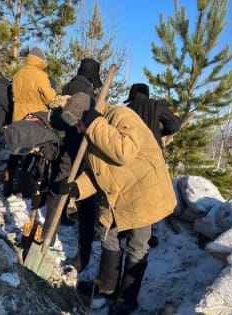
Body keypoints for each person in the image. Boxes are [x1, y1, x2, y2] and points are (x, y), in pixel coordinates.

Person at [59, 92, 177, 315]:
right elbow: (96, 173)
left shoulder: (122, 116)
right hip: (118, 192)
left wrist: (95, 124)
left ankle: (127, 299)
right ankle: (106, 287)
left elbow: (124, 152)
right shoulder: (93, 131)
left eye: (78, 123)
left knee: (138, 244)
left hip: (144, 191)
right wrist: (76, 188)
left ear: (90, 115)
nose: (77, 129)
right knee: (108, 235)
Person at [42, 58, 103, 272]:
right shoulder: (86, 93)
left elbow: (57, 121)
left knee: (57, 189)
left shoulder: (68, 86)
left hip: (63, 148)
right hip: (79, 153)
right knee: (86, 202)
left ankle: (46, 239)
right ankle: (82, 254)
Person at [124, 83, 182, 246]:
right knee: (148, 198)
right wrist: (159, 133)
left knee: (129, 194)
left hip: (129, 156)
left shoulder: (127, 109)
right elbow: (175, 125)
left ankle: (125, 228)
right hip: (151, 158)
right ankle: (145, 236)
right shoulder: (156, 105)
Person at [3, 48, 57, 198]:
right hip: (34, 119)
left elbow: (13, 94)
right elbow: (50, 98)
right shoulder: (41, 76)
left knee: (15, 152)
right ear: (41, 60)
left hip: (18, 117)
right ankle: (23, 189)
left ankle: (7, 186)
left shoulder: (18, 74)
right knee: (31, 154)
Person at [124, 83, 182, 149]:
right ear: (147, 93)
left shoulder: (126, 109)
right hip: (154, 152)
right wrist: (159, 133)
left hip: (131, 153)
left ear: (132, 95)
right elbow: (174, 126)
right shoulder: (155, 104)